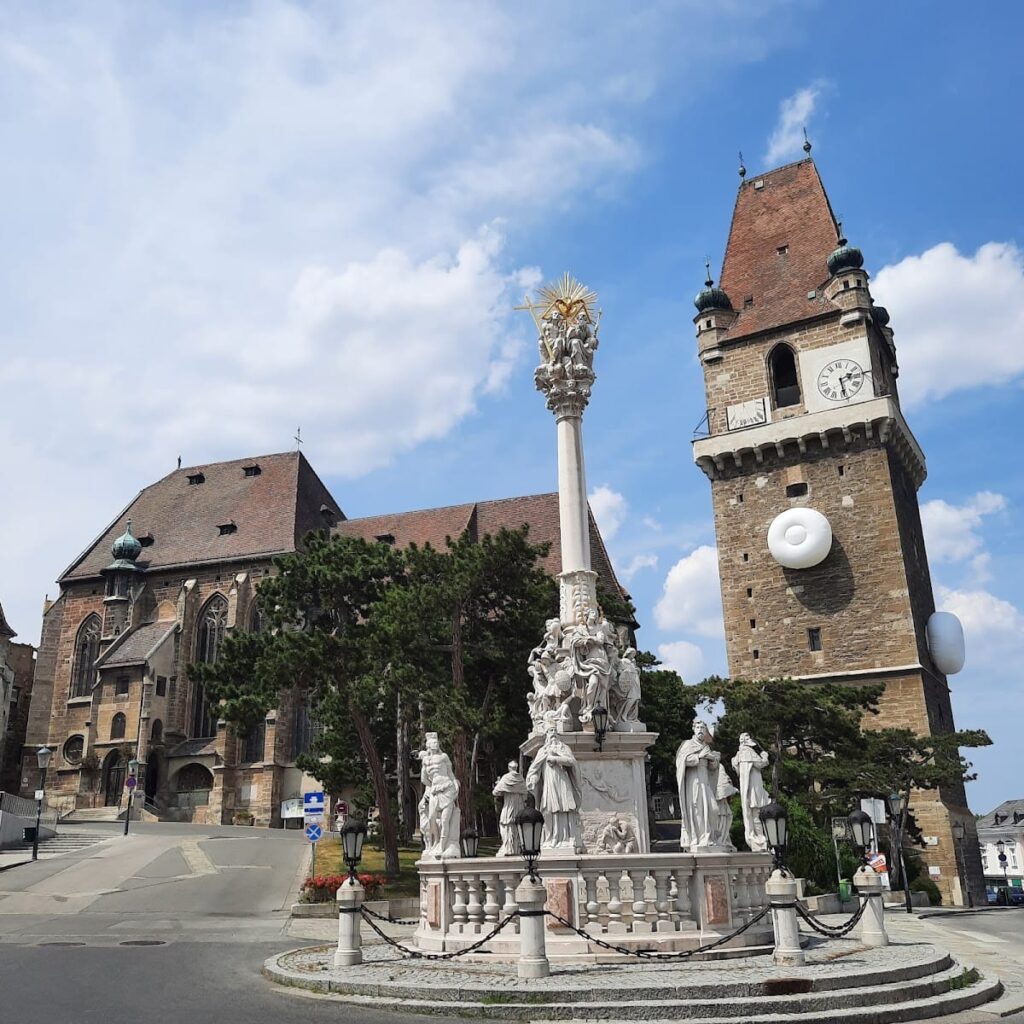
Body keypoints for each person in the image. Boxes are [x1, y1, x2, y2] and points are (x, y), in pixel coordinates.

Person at [525, 718, 584, 852]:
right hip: (549, 785)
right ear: (546, 735)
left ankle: (567, 838)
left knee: (564, 809)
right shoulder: (542, 751)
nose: (552, 733)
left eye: (554, 731)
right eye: (550, 731)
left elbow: (572, 762)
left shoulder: (563, 748)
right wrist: (533, 778)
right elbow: (534, 769)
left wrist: (557, 759)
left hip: (563, 783)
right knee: (549, 810)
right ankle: (551, 838)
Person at [675, 720, 722, 849]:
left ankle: (710, 835)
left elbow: (713, 767)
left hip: (705, 781)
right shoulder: (688, 745)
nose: (700, 730)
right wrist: (700, 756)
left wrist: (712, 759)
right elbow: (683, 761)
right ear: (693, 729)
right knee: (697, 809)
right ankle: (701, 837)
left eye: (703, 727)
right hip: (694, 781)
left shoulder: (706, 746)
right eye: (698, 727)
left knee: (713, 809)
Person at [417, 732, 461, 859]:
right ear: (429, 745)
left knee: (445, 820)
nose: (436, 744)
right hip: (435, 791)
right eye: (433, 742)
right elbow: (423, 779)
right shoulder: (426, 760)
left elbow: (450, 773)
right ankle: (436, 841)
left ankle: (442, 845)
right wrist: (433, 784)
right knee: (431, 818)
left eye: (437, 742)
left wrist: (455, 783)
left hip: (447, 788)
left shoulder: (444, 757)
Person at [732, 733, 771, 852]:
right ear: (744, 741)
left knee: (756, 813)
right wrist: (765, 756)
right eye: (748, 737)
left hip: (754, 786)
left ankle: (760, 837)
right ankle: (760, 837)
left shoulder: (740, 754)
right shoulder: (747, 752)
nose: (750, 739)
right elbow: (761, 763)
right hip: (753, 788)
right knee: (756, 812)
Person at [492, 761, 528, 856]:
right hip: (519, 807)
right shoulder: (520, 779)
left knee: (506, 824)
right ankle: (517, 848)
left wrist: (499, 784)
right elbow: (525, 794)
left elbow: (495, 792)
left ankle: (508, 847)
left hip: (509, 806)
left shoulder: (506, 778)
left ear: (509, 768)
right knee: (517, 826)